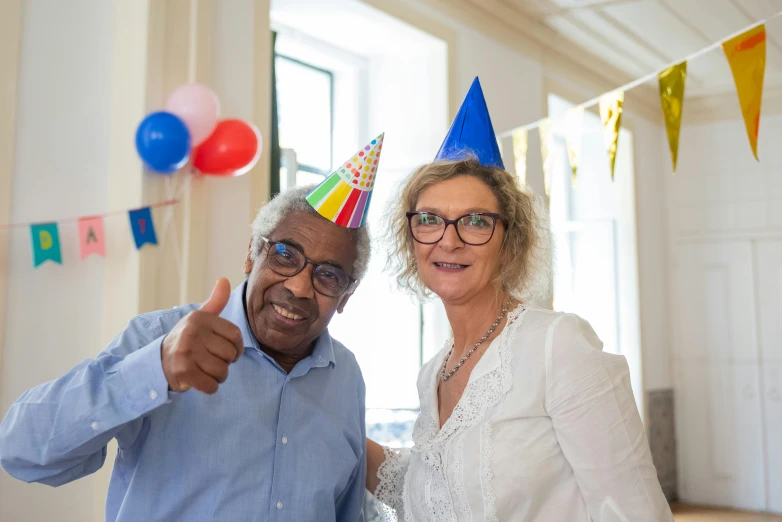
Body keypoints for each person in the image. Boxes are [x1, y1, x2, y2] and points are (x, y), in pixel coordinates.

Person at [0, 133, 386, 522]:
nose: (299, 287)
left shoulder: (347, 376)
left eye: (329, 275)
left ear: (347, 296)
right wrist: (156, 370)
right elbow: (20, 450)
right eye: (285, 254)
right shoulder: (160, 338)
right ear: (251, 253)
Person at [365, 79, 673, 521]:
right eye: (430, 220)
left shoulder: (557, 346)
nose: (448, 242)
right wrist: (332, 421)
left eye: (474, 222)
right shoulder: (433, 372)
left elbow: (634, 510)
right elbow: (438, 494)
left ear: (510, 241)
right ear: (412, 238)